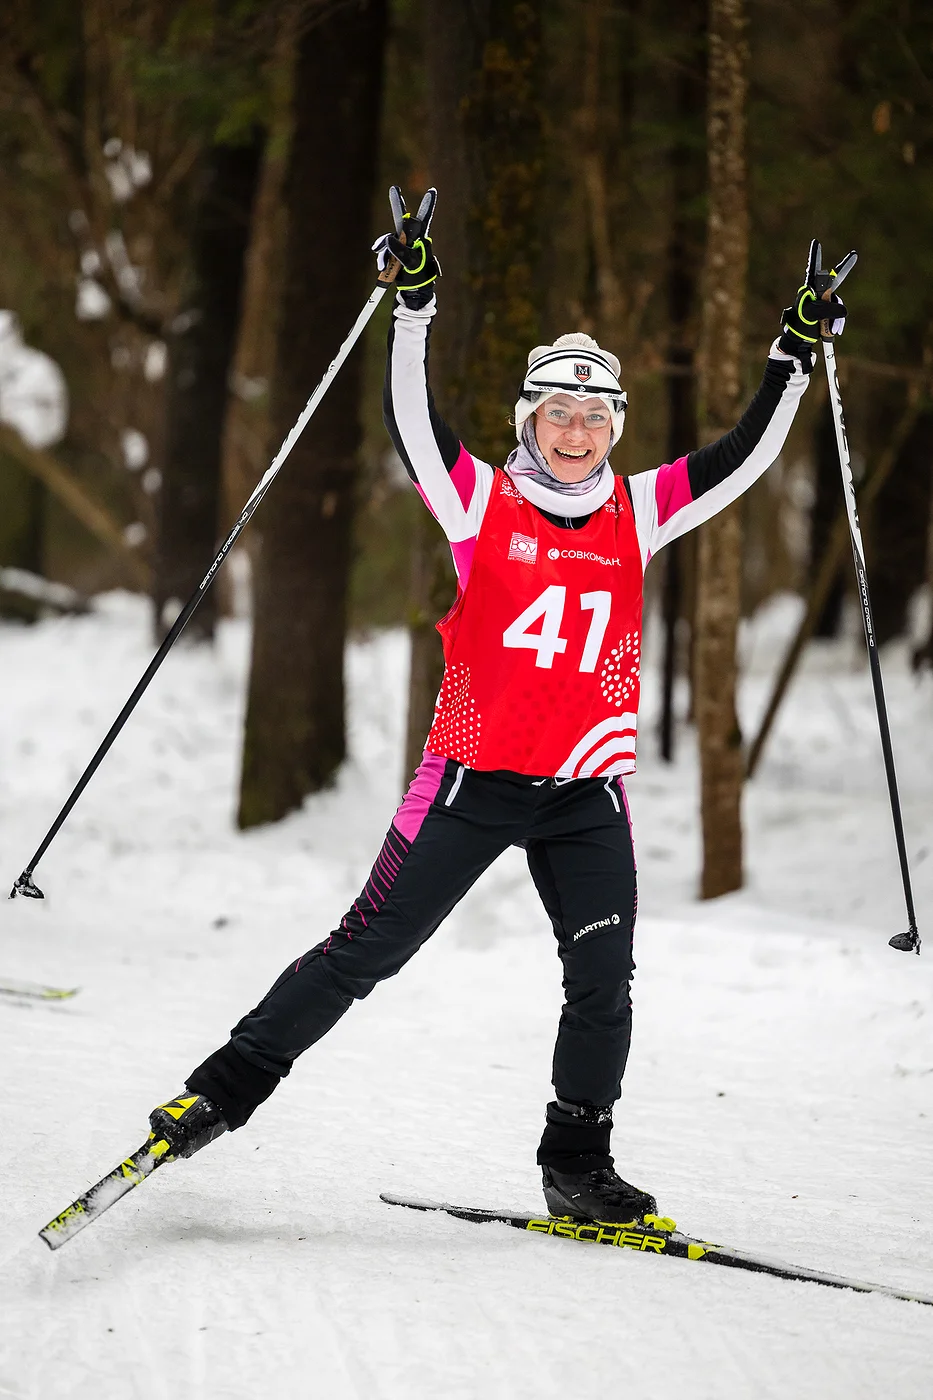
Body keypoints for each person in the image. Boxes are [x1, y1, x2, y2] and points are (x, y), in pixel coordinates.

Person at [145, 189, 845, 1224]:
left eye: (595, 416)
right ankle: (217, 1092)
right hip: (470, 780)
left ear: (614, 427)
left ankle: (578, 1164)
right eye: (558, 412)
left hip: (584, 791)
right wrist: (413, 308)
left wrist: (792, 356)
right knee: (365, 950)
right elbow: (413, 423)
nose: (577, 431)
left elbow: (744, 456)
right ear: (529, 419)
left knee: (603, 977)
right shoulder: (480, 497)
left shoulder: (638, 508)